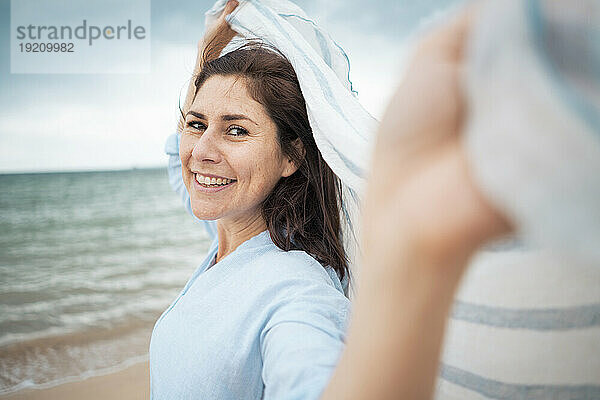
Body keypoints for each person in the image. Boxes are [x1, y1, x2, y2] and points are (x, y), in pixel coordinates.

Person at [149, 1, 353, 399]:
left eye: (237, 131)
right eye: (197, 124)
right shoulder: (228, 231)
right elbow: (182, 158)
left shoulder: (298, 293)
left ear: (291, 156)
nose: (201, 151)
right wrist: (207, 54)